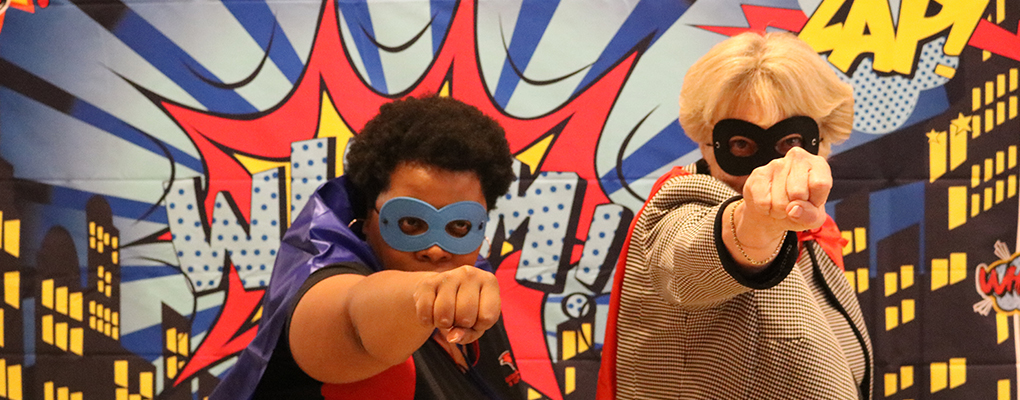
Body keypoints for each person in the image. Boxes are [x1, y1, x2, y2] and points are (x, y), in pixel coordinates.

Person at [597, 32, 874, 400]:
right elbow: (686, 257)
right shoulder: (680, 204)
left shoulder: (816, 234)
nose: (766, 170)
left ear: (821, 143)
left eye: (790, 142)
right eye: (742, 144)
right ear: (705, 144)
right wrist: (758, 224)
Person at [210, 95, 525, 400]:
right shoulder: (324, 278)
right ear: (366, 214)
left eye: (459, 225)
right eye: (411, 223)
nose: (436, 250)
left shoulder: (471, 276)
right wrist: (428, 293)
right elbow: (352, 315)